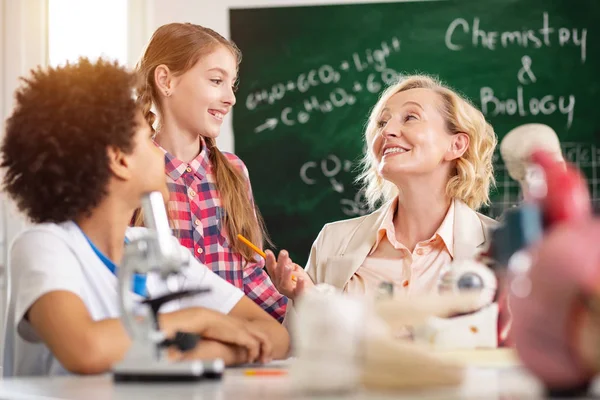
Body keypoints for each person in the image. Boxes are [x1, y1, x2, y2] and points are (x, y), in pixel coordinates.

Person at [1, 58, 289, 377]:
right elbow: (86, 348)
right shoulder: (45, 245)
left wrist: (194, 354)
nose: (160, 152)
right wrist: (198, 319)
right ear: (120, 159)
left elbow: (274, 335)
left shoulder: (156, 250)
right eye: (148, 138)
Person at [267, 75, 499, 324]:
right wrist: (307, 301)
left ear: (456, 145)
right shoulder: (332, 242)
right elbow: (299, 353)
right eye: (382, 122)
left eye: (410, 117)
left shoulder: (501, 249)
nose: (387, 131)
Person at [134, 23, 287, 321]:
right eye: (216, 80)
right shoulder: (131, 171)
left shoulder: (233, 171)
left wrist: (293, 306)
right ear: (166, 80)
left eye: (232, 84)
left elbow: (250, 273)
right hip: (165, 351)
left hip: (233, 354)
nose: (230, 97)